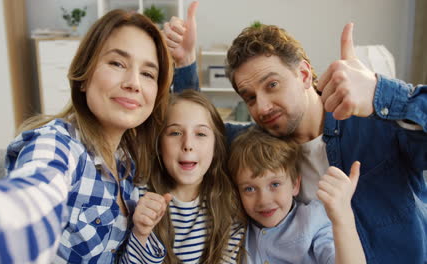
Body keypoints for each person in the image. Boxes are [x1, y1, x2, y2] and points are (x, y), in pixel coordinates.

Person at [168, 14, 427, 264]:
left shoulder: (374, 122)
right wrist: (184, 63)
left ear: (303, 74)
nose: (262, 107)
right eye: (250, 97)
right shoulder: (255, 144)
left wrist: (380, 93)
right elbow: (200, 135)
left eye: (271, 85)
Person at [0, 9, 174, 263]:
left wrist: (140, 233)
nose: (134, 83)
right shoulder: (56, 144)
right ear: (84, 76)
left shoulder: (127, 162)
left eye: (148, 73)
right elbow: (31, 200)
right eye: (117, 63)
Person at [128, 90, 245, 264]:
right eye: (175, 133)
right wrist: (141, 235)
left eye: (201, 134)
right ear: (159, 144)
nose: (188, 145)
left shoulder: (229, 202)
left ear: (216, 146)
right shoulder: (140, 198)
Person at [228, 126, 366, 264]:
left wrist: (343, 217)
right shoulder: (237, 229)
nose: (263, 200)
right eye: (249, 189)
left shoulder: (313, 220)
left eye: (275, 184)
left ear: (295, 184)